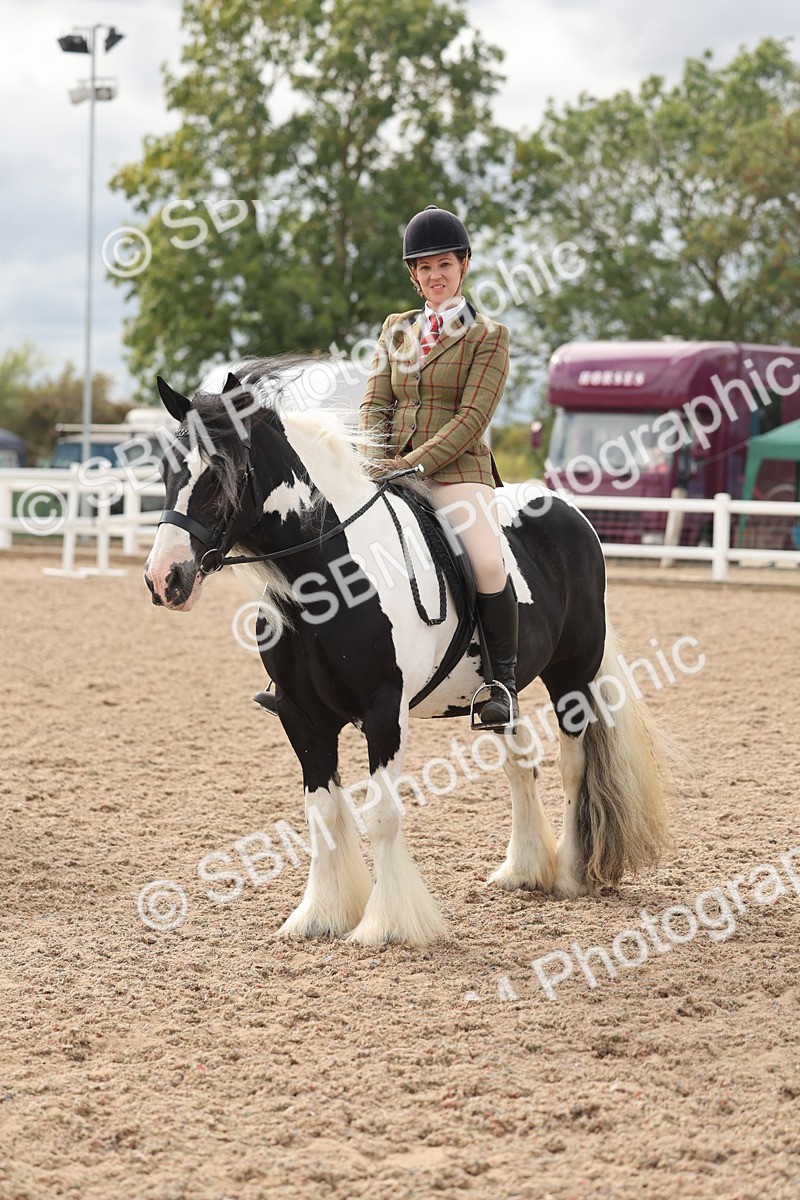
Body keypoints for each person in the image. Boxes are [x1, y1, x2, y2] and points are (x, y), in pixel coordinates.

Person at [359, 204, 518, 729]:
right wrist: (370, 458)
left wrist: (414, 464)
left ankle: (502, 684)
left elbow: (473, 417)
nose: (435, 276)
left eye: (444, 265)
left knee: (487, 562)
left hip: (456, 472)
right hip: (388, 466)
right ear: (413, 275)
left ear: (464, 266)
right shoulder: (395, 330)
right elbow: (375, 401)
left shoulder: (487, 336)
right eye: (424, 268)